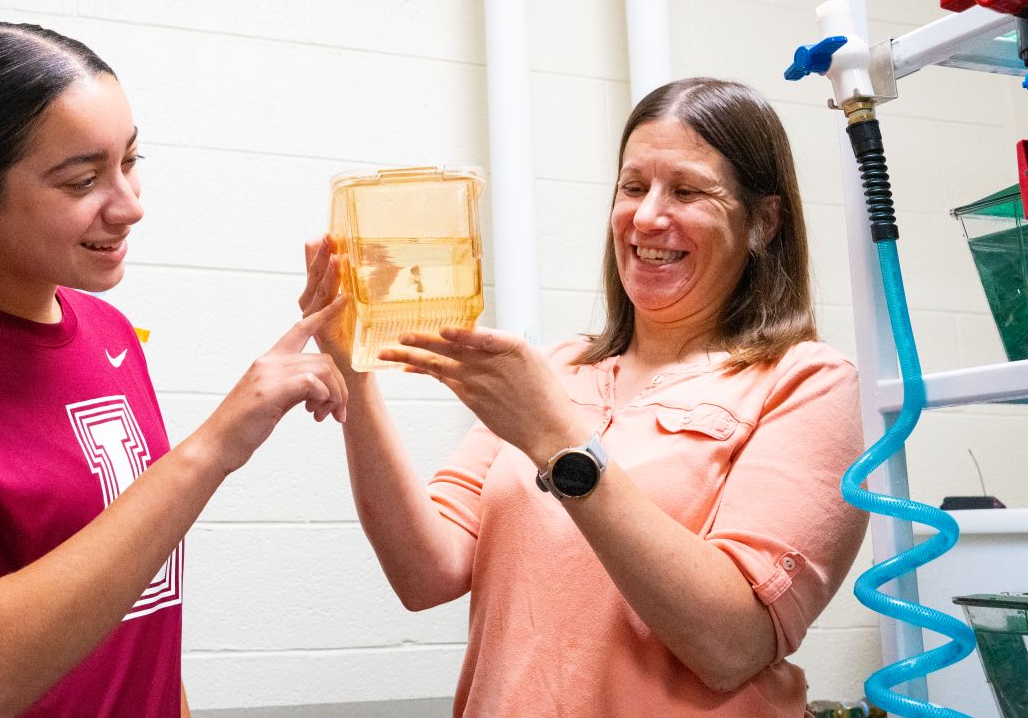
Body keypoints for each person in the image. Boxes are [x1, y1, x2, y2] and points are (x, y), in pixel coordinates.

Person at [0, 22, 348, 718]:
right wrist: (212, 448)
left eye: (131, 161)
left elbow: (137, 613)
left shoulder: (108, 334)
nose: (130, 204)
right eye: (84, 179)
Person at [301, 77, 868, 716]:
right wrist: (352, 369)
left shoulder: (804, 382)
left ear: (763, 222)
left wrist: (559, 442)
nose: (647, 216)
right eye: (632, 187)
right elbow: (424, 572)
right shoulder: (555, 369)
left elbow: (731, 644)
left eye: (686, 190)